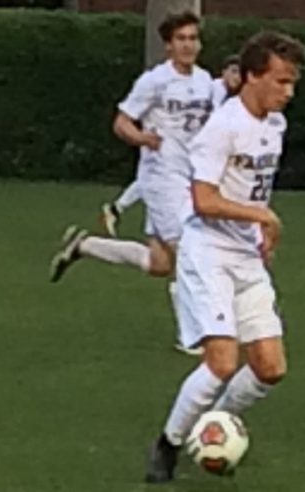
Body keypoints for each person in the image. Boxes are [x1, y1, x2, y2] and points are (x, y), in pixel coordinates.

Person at [144, 31, 305, 483]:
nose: (288, 92)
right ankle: (168, 445)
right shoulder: (223, 127)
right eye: (281, 81)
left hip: (246, 255)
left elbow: (254, 187)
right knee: (221, 362)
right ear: (252, 77)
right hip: (208, 250)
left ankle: (210, 426)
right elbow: (203, 199)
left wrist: (260, 232)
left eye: (292, 83)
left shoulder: (275, 126)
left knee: (271, 369)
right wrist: (262, 216)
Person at [50, 12, 214, 351]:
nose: (188, 45)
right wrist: (142, 138)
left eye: (193, 38)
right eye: (181, 39)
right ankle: (192, 336)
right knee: (190, 252)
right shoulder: (154, 81)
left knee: (160, 263)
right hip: (160, 179)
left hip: (188, 178)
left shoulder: (205, 82)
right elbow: (122, 122)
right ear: (168, 45)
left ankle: (85, 246)